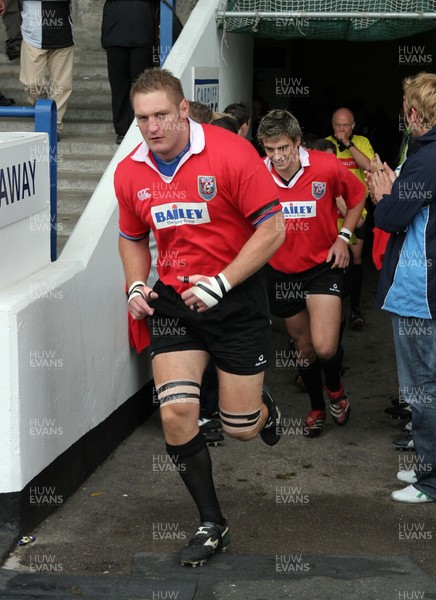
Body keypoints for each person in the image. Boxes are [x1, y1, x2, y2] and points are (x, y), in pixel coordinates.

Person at [114, 68, 286, 566]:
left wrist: (223, 281)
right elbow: (130, 237)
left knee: (240, 427)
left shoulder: (232, 154)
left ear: (184, 109)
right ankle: (212, 522)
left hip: (235, 299)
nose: (152, 127)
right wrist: (136, 285)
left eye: (162, 115)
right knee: (176, 412)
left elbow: (272, 229)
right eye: (143, 117)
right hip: (175, 304)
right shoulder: (130, 172)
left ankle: (262, 411)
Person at [257, 109, 365, 437]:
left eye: (283, 148)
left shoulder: (325, 165)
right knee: (304, 348)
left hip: (322, 267)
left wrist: (344, 238)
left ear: (298, 142)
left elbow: (358, 196)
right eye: (269, 149)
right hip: (281, 273)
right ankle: (317, 406)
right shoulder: (256, 174)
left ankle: (335, 389)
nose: (277, 157)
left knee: (326, 347)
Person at [366, 72, 436, 504]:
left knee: (422, 388)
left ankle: (430, 481)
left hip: (420, 293)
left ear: (413, 113)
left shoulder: (426, 157)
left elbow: (392, 219)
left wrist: (382, 196)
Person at [326, 107, 375, 329]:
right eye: (338, 125)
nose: (342, 129)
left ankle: (354, 309)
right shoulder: (324, 144)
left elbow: (370, 167)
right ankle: (333, 310)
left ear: (353, 126)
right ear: (332, 125)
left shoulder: (361, 142)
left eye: (346, 125)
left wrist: (349, 144)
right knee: (332, 261)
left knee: (355, 259)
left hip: (359, 211)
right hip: (332, 212)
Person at [101, 0, 157, 144]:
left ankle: (141, 126)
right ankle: (122, 130)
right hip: (117, 35)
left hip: (141, 35)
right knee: (120, 87)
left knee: (142, 87)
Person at [19, 0, 74, 138]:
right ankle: (42, 110)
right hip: (32, 36)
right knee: (32, 83)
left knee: (62, 85)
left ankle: (55, 126)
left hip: (62, 36)